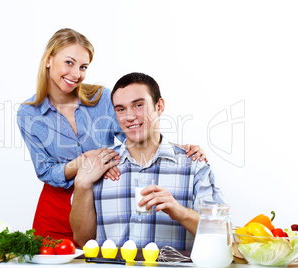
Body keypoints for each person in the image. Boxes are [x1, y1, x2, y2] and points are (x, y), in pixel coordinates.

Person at [17, 29, 208, 242]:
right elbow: (45, 170)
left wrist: (179, 150)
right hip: (56, 207)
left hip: (101, 198)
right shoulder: (28, 113)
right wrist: (87, 162)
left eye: (83, 67)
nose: (76, 74)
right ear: (48, 59)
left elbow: (136, 132)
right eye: (69, 63)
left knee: (97, 255)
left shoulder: (102, 98)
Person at [70, 72, 225, 250]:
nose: (129, 116)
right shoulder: (98, 166)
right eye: (121, 109)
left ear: (159, 106)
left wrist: (179, 211)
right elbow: (83, 241)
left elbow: (220, 233)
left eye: (138, 105)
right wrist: (81, 184)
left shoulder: (193, 164)